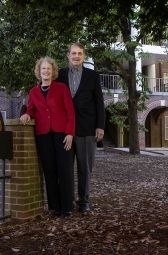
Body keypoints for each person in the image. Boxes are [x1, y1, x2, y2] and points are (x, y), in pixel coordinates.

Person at [20, 57, 75, 218]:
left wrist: (70, 133)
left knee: (64, 170)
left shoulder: (62, 88)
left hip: (62, 134)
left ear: (53, 72)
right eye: (43, 69)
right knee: (50, 171)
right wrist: (26, 115)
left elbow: (70, 112)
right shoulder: (33, 92)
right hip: (43, 135)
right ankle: (56, 208)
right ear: (39, 72)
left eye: (49, 69)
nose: (46, 71)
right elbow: (31, 110)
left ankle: (67, 207)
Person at [55, 42, 105, 213]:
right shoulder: (59, 74)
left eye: (80, 53)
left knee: (85, 167)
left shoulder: (93, 76)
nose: (76, 56)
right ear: (68, 55)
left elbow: (99, 102)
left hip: (87, 128)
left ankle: (83, 201)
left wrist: (100, 126)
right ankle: (67, 201)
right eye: (73, 53)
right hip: (64, 130)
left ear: (83, 56)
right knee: (66, 168)